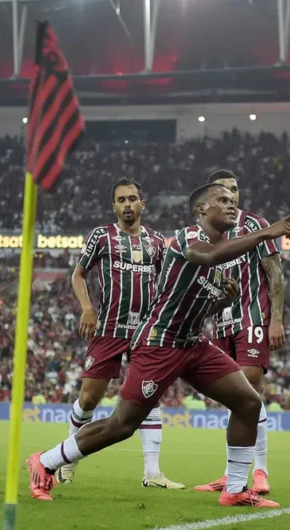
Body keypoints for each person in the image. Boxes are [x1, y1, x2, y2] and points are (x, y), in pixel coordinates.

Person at [27, 183, 290, 507]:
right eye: (222, 200)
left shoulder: (217, 258)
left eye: (233, 201)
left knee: (248, 403)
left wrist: (221, 301)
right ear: (201, 210)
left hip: (194, 344)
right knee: (123, 425)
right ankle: (45, 461)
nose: (231, 205)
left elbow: (193, 307)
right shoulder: (188, 239)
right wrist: (267, 233)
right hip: (160, 343)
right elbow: (208, 255)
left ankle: (236, 489)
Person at [57, 177, 184, 489]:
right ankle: (68, 458)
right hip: (110, 329)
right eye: (121, 200)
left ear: (143, 203)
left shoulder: (156, 241)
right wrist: (87, 307)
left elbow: (168, 280)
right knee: (89, 398)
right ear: (113, 206)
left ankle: (152, 473)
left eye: (132, 199)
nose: (128, 204)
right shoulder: (102, 236)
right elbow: (78, 273)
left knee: (149, 396)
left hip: (145, 332)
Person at [194, 169, 285, 495]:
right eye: (225, 192)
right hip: (220, 324)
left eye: (235, 190)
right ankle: (232, 473)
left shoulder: (256, 226)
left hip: (253, 319)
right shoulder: (208, 234)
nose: (232, 196)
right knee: (235, 399)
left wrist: (276, 319)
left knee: (248, 389)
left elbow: (275, 273)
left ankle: (260, 471)